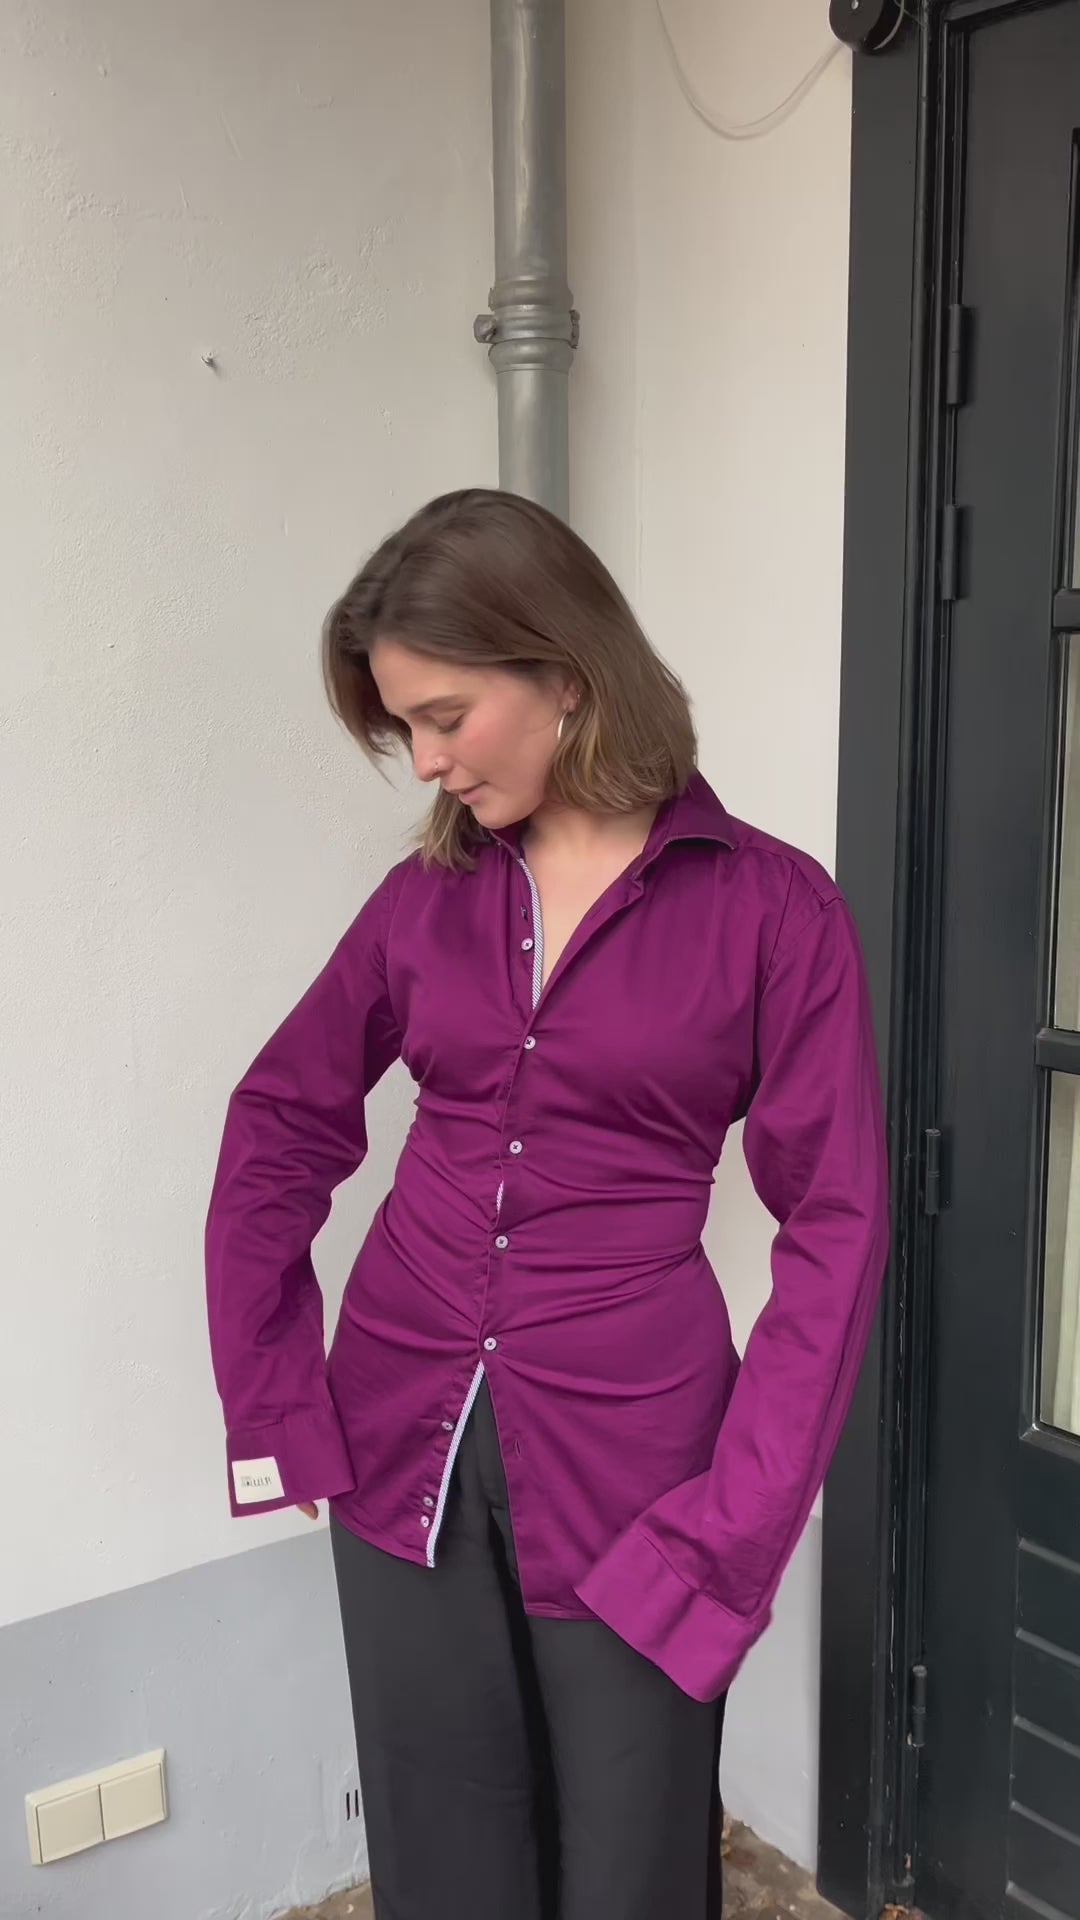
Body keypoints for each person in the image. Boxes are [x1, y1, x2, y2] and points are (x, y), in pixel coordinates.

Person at [205, 488, 889, 1920]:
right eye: (407, 729)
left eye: (445, 717)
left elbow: (835, 1231)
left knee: (634, 1863)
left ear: (565, 673)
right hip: (398, 1436)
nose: (426, 761)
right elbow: (279, 1121)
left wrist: (737, 1528)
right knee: (443, 1849)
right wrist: (276, 1405)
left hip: (643, 1471)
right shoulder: (423, 900)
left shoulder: (774, 911)